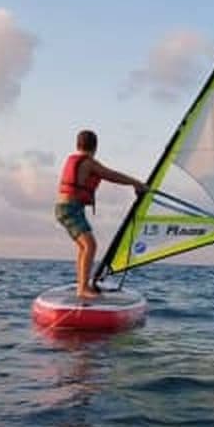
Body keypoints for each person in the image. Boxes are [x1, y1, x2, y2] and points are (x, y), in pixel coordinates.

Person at [55, 129, 146, 300]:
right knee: (90, 246)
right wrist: (137, 183)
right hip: (70, 208)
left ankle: (83, 285)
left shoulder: (74, 160)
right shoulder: (89, 163)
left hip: (65, 207)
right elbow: (112, 175)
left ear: (77, 144)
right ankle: (82, 288)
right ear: (95, 147)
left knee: (84, 247)